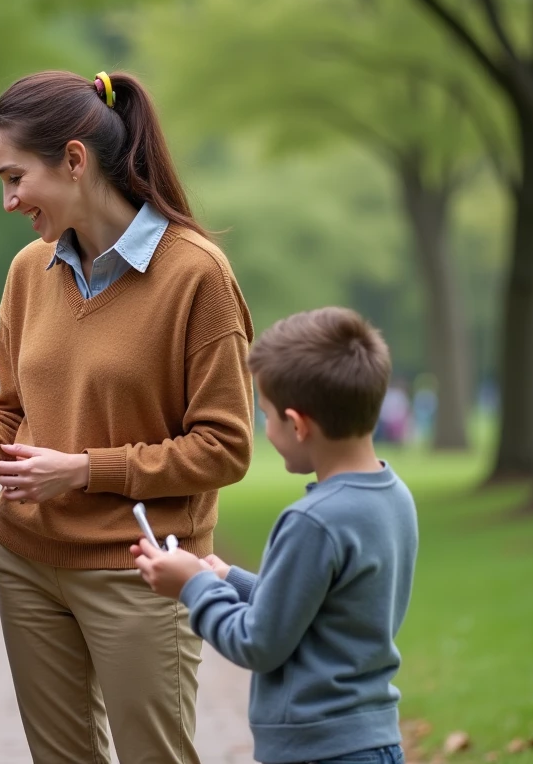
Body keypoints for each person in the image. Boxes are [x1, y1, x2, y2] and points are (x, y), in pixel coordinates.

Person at [0, 70, 255, 763]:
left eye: (16, 177)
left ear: (76, 161)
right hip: (28, 564)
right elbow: (11, 417)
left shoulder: (197, 275)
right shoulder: (30, 271)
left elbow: (225, 448)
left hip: (141, 568)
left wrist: (85, 471)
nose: (8, 200)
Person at [132, 307, 419, 764]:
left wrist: (193, 586)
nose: (266, 430)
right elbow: (320, 606)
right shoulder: (392, 495)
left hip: (317, 750)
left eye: (266, 416)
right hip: (374, 741)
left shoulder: (313, 521)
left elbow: (258, 642)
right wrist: (229, 580)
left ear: (298, 424)